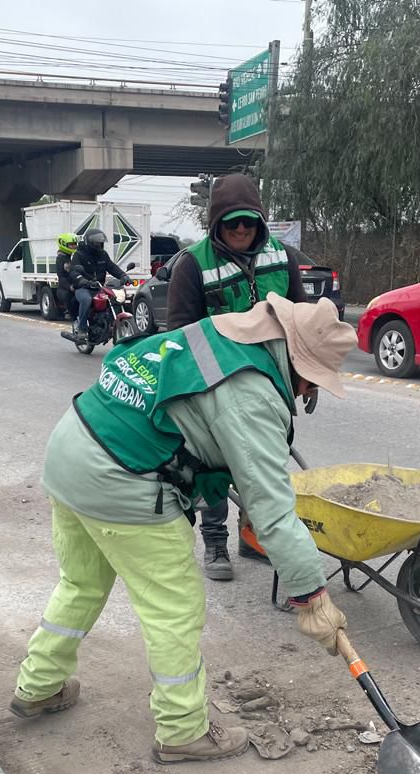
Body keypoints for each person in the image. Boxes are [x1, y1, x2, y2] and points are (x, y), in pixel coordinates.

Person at [10, 293, 357, 763]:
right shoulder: (250, 391)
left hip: (73, 446)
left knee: (81, 583)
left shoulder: (226, 332)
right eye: (310, 383)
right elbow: (273, 512)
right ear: (297, 362)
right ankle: (182, 730)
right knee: (174, 609)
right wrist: (312, 597)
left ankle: (38, 686)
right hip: (122, 475)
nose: (304, 394)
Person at [166, 174, 308, 581]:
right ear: (216, 225)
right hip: (216, 387)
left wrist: (305, 375)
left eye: (248, 221)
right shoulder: (193, 265)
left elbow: (300, 319)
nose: (241, 229)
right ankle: (214, 543)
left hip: (271, 383)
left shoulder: (282, 257)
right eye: (232, 223)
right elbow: (181, 335)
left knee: (266, 462)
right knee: (217, 467)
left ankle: (253, 535)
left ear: (260, 221)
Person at [67, 228, 132, 342]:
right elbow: (74, 271)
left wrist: (123, 276)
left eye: (100, 242)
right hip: (83, 287)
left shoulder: (103, 255)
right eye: (96, 242)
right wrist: (82, 281)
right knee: (86, 300)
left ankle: (109, 323)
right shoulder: (79, 254)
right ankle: (82, 328)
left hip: (99, 287)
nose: (99, 244)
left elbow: (112, 267)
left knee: (115, 298)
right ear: (89, 242)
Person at [54, 232, 79, 319]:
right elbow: (61, 277)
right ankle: (74, 317)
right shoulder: (61, 258)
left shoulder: (74, 256)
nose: (74, 246)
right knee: (72, 300)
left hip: (77, 284)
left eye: (75, 244)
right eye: (71, 245)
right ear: (63, 244)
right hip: (65, 288)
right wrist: (70, 287)